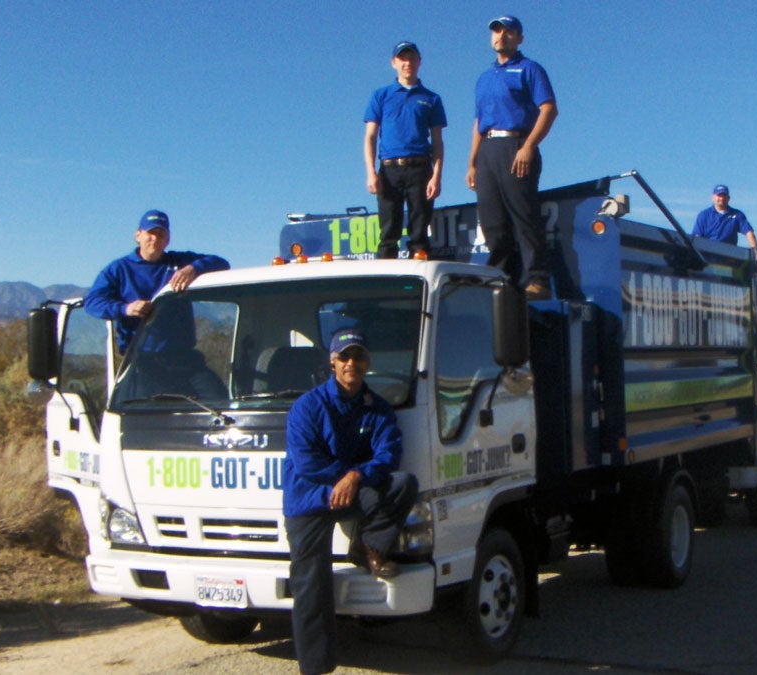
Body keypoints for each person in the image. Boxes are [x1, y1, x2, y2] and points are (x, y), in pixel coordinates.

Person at [283, 329, 418, 674]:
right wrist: (344, 476)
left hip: (351, 490)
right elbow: (306, 463)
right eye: (344, 357)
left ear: (368, 362)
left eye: (358, 357)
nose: (351, 364)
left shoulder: (378, 407)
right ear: (332, 362)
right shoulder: (308, 406)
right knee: (311, 585)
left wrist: (355, 476)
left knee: (402, 484)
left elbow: (389, 454)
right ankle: (316, 667)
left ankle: (367, 547)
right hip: (310, 499)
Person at [466, 14, 558, 300]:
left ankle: (537, 281)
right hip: (488, 151)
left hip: (517, 145)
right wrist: (471, 162)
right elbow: (479, 122)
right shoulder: (484, 78)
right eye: (496, 31)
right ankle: (499, 279)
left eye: (508, 32)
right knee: (492, 222)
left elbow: (549, 109)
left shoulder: (530, 69)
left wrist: (529, 145)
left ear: (519, 38)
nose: (501, 36)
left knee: (524, 215)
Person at [84, 209, 230, 354]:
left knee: (210, 379)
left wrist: (193, 268)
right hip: (139, 359)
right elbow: (92, 303)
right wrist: (126, 309)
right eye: (150, 233)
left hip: (183, 356)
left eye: (161, 234)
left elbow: (222, 263)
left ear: (168, 239)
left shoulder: (179, 261)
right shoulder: (118, 269)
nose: (155, 238)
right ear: (138, 235)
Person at [363, 41, 447, 259]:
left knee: (419, 234)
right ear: (394, 63)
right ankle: (385, 284)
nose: (407, 63)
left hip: (420, 169)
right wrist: (371, 172)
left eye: (412, 58)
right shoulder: (381, 95)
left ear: (419, 61)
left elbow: (438, 141)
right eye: (402, 58)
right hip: (389, 169)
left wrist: (436, 176)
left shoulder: (431, 98)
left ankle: (419, 282)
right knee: (388, 232)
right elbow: (370, 136)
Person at [692, 184, 757, 262]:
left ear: (728, 198)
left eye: (724, 196)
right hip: (707, 258)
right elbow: (697, 238)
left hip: (729, 258)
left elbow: (749, 233)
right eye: (719, 195)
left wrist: (755, 255)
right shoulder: (703, 215)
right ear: (713, 197)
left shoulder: (737, 215)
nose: (721, 198)